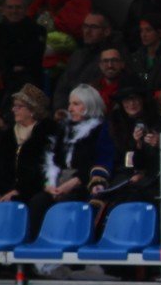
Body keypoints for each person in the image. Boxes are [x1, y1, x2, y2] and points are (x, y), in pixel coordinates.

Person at [48, 85, 115, 217]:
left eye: (76, 104)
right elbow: (52, 159)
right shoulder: (65, 128)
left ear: (90, 105)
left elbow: (100, 160)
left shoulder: (102, 129)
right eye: (69, 104)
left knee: (67, 204)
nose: (69, 109)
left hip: (84, 183)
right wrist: (49, 183)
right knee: (39, 201)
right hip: (59, 182)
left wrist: (72, 183)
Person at [0, 0, 46, 82]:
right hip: (1, 79)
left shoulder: (38, 30)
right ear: (3, 10)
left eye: (18, 7)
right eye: (10, 7)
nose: (14, 11)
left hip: (31, 79)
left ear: (26, 9)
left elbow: (38, 56)